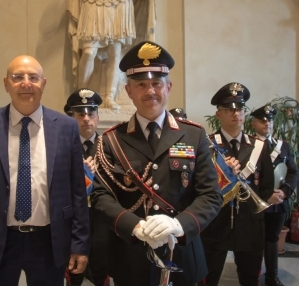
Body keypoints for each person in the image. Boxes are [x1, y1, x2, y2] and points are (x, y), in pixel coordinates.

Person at [91, 41, 223, 286]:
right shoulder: (112, 140)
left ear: (168, 87)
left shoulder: (194, 135)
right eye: (141, 84)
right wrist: (135, 226)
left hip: (181, 253)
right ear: (129, 91)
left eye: (156, 83)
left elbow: (211, 195)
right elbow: (100, 196)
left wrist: (178, 224)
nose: (150, 91)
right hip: (131, 257)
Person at [0, 55, 90, 286]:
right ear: (6, 83)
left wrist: (79, 244)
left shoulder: (67, 127)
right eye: (17, 77)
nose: (26, 83)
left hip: (49, 240)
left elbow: (77, 192)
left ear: (44, 83)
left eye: (33, 77)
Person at [200, 83, 275, 286]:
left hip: (250, 223)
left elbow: (267, 186)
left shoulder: (260, 146)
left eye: (240, 109)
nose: (236, 114)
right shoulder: (206, 144)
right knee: (208, 277)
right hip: (216, 222)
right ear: (218, 114)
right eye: (229, 109)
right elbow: (200, 185)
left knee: (250, 278)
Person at [64, 89, 109, 286]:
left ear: (98, 118)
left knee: (101, 271)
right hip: (72, 220)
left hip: (101, 219)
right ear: (72, 117)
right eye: (80, 114)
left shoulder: (109, 147)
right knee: (74, 272)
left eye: (91, 114)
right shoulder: (63, 147)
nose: (86, 119)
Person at [251, 104, 298, 286]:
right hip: (256, 203)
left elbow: (293, 172)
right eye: (262, 121)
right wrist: (264, 195)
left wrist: (285, 192)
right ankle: (252, 276)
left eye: (270, 120)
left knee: (272, 239)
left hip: (278, 202)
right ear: (254, 123)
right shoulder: (248, 145)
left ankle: (272, 275)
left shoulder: (283, 146)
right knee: (254, 242)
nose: (267, 124)